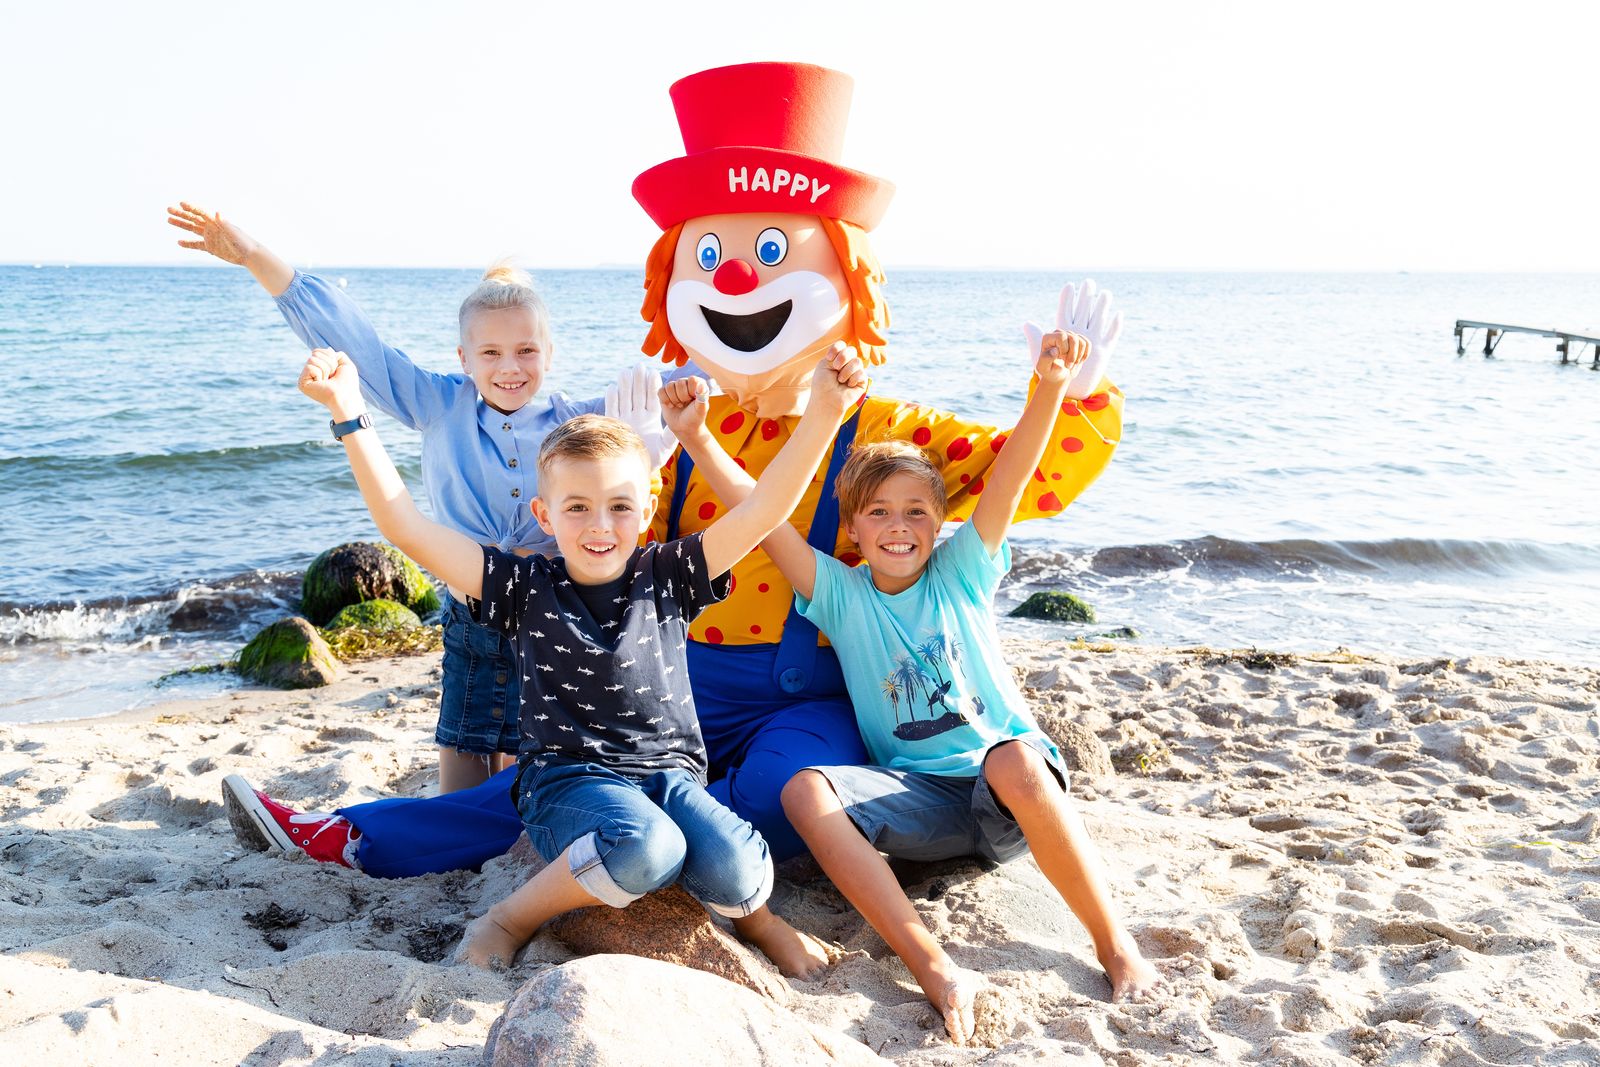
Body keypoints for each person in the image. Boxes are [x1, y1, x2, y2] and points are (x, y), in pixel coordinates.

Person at [215, 61, 1125, 882]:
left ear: (850, 276)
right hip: (674, 678)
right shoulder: (685, 417)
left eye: (772, 252)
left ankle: (692, 853)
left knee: (769, 795)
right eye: (713, 255)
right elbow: (613, 544)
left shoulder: (885, 428)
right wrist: (642, 458)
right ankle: (355, 832)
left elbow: (1022, 485)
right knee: (558, 781)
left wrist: (1072, 399)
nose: (735, 280)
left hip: (805, 694)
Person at [249, 340, 866, 970]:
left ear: (647, 508)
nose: (600, 525)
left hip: (670, 776)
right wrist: (350, 412)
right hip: (567, 781)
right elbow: (405, 524)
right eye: (577, 508)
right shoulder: (522, 586)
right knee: (647, 850)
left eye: (620, 507)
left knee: (739, 871)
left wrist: (823, 408)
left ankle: (761, 925)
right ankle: (507, 917)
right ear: (545, 514)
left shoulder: (670, 574)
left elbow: (767, 508)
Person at [657, 326, 1161, 1043]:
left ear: (941, 520)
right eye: (880, 513)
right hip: (919, 806)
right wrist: (700, 440)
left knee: (1013, 755)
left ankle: (1116, 946)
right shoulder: (838, 593)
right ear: (854, 528)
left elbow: (1013, 473)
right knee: (804, 789)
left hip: (1009, 795)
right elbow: (762, 515)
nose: (900, 527)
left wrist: (1049, 386)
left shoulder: (962, 571)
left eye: (918, 511)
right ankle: (934, 967)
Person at [170, 204, 683, 793]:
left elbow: (684, 392)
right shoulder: (440, 404)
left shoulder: (577, 423)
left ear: (549, 352)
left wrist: (686, 399)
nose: (509, 368)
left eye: (526, 351)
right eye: (490, 354)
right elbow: (358, 344)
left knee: (527, 758)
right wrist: (256, 256)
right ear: (464, 360)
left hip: (548, 612)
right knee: (463, 745)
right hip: (470, 608)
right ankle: (449, 830)